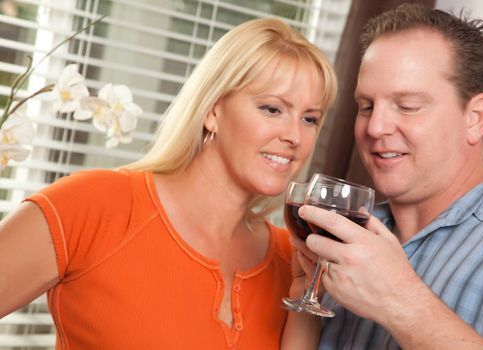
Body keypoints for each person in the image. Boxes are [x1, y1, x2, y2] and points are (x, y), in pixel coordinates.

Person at [0, 18, 337, 349]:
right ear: (213, 111)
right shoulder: (96, 205)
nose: (294, 136)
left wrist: (301, 304)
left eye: (310, 119)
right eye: (272, 109)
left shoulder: (292, 260)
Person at [289, 3, 483, 350]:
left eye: (408, 105)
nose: (375, 127)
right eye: (366, 106)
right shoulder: (346, 235)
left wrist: (400, 302)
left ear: (475, 117)